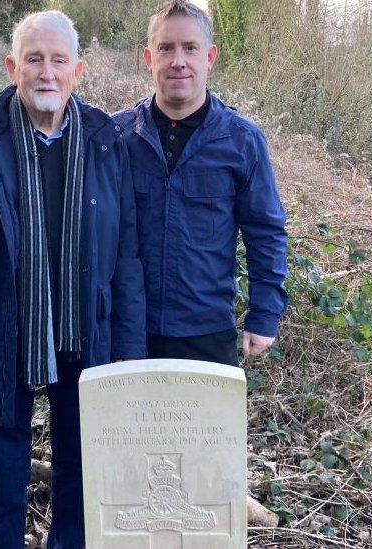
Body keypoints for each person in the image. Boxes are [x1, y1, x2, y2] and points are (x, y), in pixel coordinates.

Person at [0, 11, 145, 548]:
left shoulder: (106, 141)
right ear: (11, 67)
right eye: (34, 59)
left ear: (78, 71)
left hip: (84, 323)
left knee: (81, 454)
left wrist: (130, 347)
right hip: (1, 319)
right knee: (2, 459)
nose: (47, 73)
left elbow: (127, 253)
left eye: (58, 61)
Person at [114, 0, 288, 367]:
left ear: (209, 56)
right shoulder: (116, 137)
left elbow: (266, 231)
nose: (178, 61)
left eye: (190, 48)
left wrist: (264, 313)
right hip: (125, 328)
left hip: (206, 331)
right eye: (166, 48)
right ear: (148, 57)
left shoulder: (242, 141)